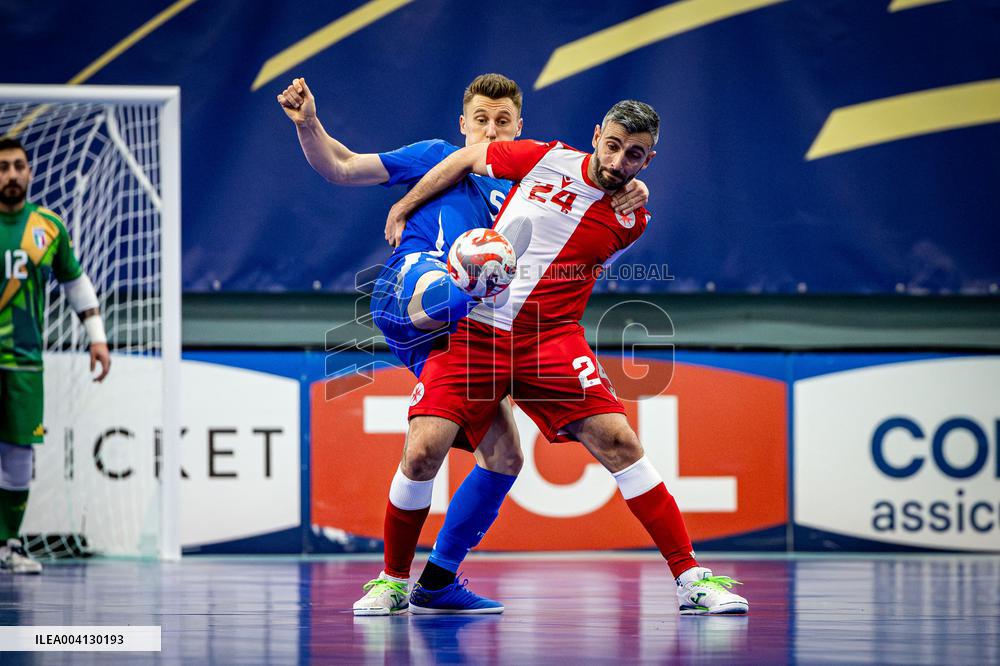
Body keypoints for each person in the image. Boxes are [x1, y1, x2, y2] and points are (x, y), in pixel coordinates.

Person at [278, 75, 648, 615]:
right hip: (414, 291)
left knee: (500, 455)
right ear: (463, 124)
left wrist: (631, 188)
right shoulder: (435, 158)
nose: (490, 129)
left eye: (502, 122)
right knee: (462, 274)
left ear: (519, 127)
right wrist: (310, 123)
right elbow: (341, 165)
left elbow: (600, 189)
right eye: (481, 119)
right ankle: (390, 579)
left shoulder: (530, 179)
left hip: (468, 331)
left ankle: (438, 579)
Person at [386, 100, 750, 615]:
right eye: (614, 145)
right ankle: (394, 581)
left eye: (635, 156)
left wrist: (633, 193)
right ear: (597, 134)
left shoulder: (631, 217)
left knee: (620, 443)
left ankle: (691, 580)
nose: (620, 161)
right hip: (476, 332)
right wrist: (403, 207)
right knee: (424, 451)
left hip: (549, 341)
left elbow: (580, 238)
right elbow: (469, 160)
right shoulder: (544, 156)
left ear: (648, 160)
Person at [0, 137, 111, 575]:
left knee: (19, 455)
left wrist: (97, 337)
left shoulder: (48, 227)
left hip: (26, 359)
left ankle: (8, 543)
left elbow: (74, 282)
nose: (11, 174)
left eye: (18, 166)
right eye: (3, 166)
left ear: (29, 172)